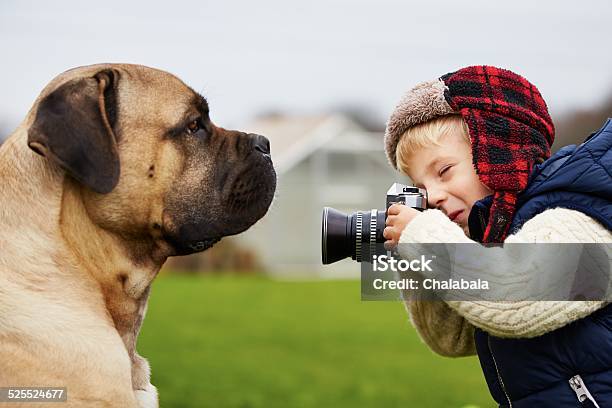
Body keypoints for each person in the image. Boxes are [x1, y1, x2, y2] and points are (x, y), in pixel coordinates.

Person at [382, 65, 612, 407]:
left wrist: (424, 235)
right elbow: (451, 338)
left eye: (444, 171)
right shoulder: (500, 234)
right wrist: (415, 255)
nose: (433, 196)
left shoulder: (582, 214)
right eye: (421, 188)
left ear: (498, 148)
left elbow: (511, 300)